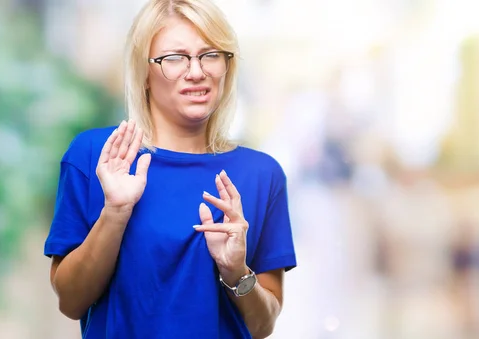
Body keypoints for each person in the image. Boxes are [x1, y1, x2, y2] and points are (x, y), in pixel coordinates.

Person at [43, 0, 297, 338]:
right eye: (174, 58)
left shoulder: (262, 175)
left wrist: (235, 271)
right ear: (144, 73)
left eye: (210, 55)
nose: (196, 72)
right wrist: (115, 213)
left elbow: (262, 326)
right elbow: (71, 302)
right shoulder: (95, 156)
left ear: (227, 65)